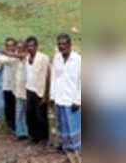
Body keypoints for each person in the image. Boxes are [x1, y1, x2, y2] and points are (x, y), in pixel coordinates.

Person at [50, 34, 81, 162]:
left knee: (73, 125)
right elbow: (53, 78)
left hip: (72, 100)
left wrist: (78, 100)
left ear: (70, 45)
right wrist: (52, 96)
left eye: (64, 44)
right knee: (62, 124)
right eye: (59, 44)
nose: (61, 46)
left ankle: (77, 149)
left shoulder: (78, 60)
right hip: (59, 98)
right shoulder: (57, 58)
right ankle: (66, 147)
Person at [25, 36, 50, 144]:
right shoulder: (27, 58)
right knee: (30, 114)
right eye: (28, 46)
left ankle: (44, 138)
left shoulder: (43, 58)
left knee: (41, 116)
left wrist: (46, 95)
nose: (30, 48)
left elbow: (48, 76)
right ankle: (34, 136)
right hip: (29, 90)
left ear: (36, 46)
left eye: (32, 45)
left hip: (40, 91)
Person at [12, 40, 29, 140]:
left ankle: (27, 132)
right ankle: (20, 133)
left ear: (25, 49)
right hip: (18, 91)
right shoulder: (16, 60)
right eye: (17, 48)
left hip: (27, 92)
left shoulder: (28, 59)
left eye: (21, 48)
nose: (18, 50)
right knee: (19, 113)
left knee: (27, 113)